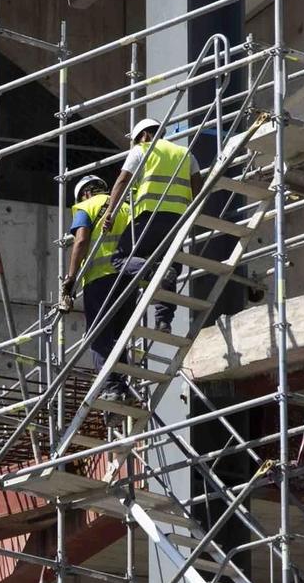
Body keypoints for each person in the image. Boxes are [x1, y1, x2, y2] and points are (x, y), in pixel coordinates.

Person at [107, 116, 200, 332]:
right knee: (171, 270)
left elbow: (122, 181)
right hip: (177, 219)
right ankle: (164, 320)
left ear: (144, 135)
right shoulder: (185, 154)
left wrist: (111, 212)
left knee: (119, 259)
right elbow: (198, 184)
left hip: (149, 217)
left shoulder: (142, 150)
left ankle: (151, 271)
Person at [61, 174, 135, 403]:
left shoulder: (86, 206)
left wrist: (70, 280)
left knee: (100, 336)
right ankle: (120, 384)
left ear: (85, 193)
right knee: (119, 335)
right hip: (129, 279)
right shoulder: (126, 207)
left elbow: (81, 241)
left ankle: (112, 387)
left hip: (100, 280)